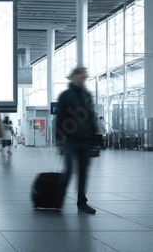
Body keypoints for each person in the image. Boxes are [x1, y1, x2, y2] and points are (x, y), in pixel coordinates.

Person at [56, 67, 98, 214]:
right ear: (73, 76)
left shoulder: (87, 95)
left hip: (85, 140)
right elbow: (60, 118)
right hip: (70, 140)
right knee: (68, 172)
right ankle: (58, 199)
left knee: (83, 173)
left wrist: (94, 139)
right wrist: (59, 141)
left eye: (84, 77)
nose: (82, 79)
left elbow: (91, 117)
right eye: (80, 76)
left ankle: (82, 202)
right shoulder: (65, 96)